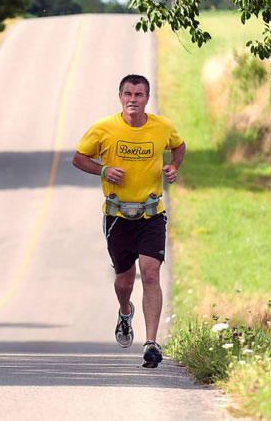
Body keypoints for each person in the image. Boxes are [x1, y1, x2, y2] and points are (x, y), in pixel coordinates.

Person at [72, 74, 185, 368]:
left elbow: (179, 145)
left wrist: (172, 166)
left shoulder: (162, 127)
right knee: (124, 280)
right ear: (120, 97)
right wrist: (103, 170)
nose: (132, 99)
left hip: (151, 213)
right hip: (117, 216)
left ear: (147, 98)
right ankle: (125, 311)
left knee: (149, 273)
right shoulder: (103, 129)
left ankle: (151, 343)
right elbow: (78, 158)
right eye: (127, 94)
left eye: (138, 94)